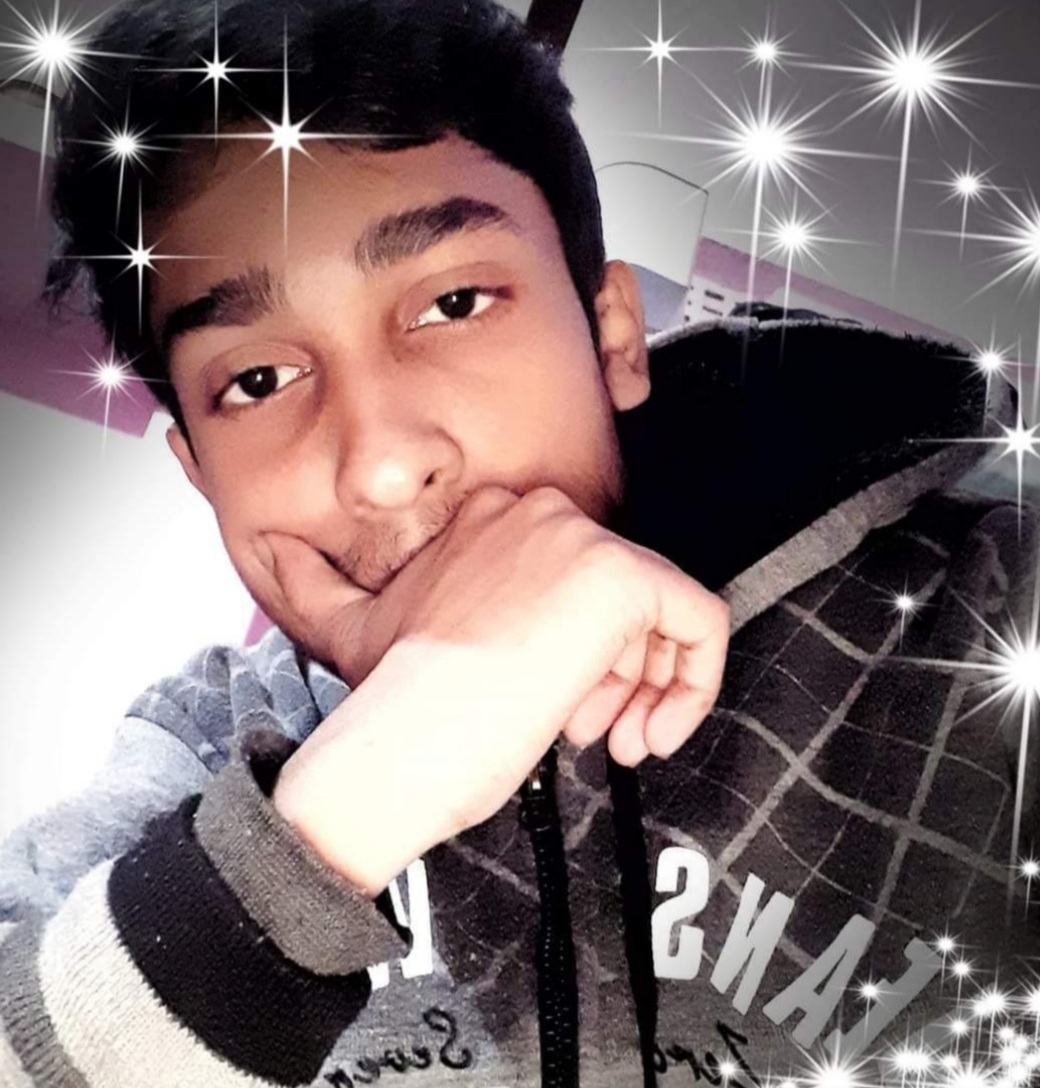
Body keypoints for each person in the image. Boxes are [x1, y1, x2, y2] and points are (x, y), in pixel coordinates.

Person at [1, 1, 1037, 1086]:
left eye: (453, 303)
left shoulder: (985, 617)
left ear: (612, 336)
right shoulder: (200, 747)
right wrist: (329, 824)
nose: (382, 466)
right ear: (200, 471)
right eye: (259, 379)